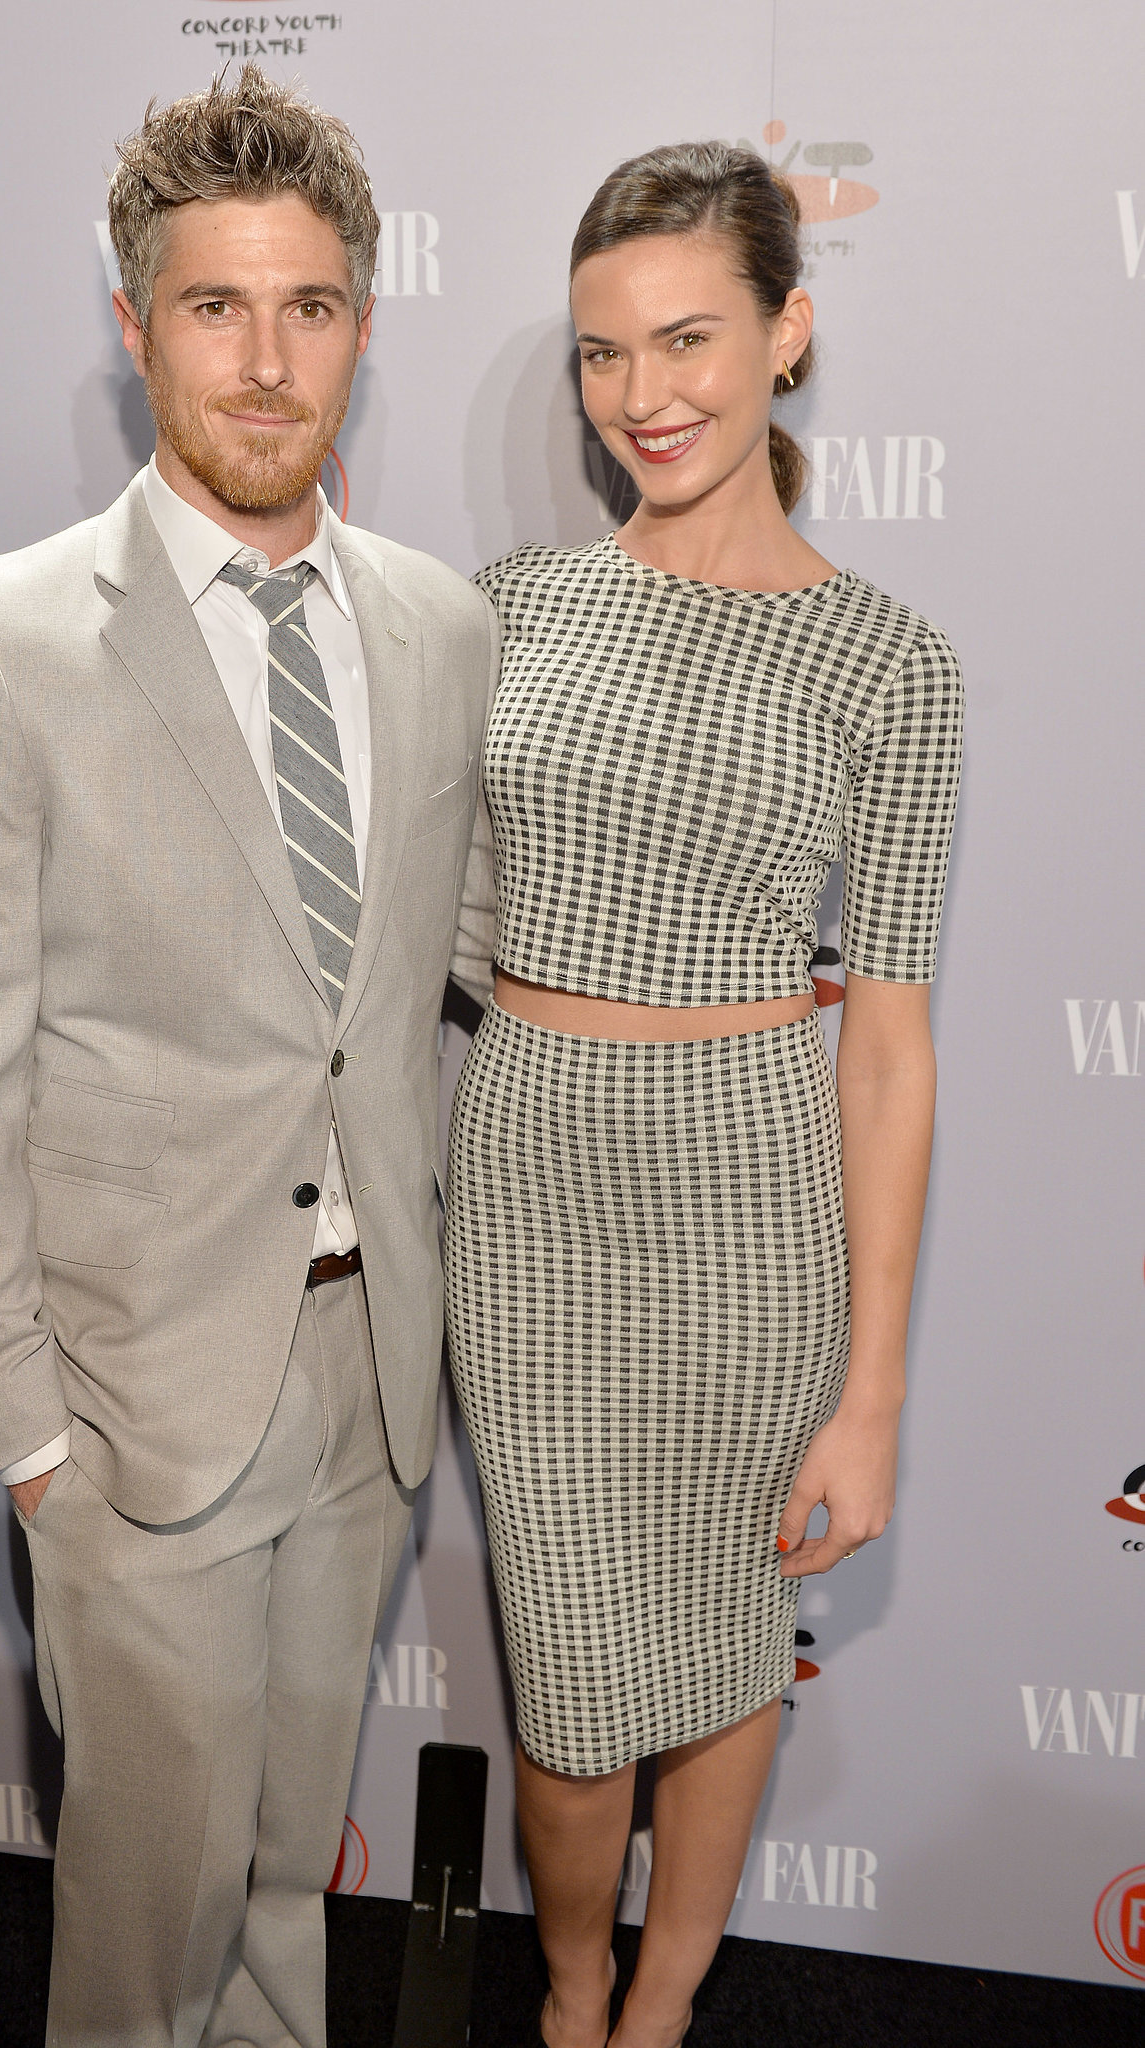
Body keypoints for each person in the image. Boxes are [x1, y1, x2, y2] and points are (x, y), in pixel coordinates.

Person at [0, 67, 496, 2048]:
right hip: (134, 1395)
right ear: (137, 327)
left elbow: (433, 980)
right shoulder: (1, 638)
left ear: (364, 329)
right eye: (215, 305)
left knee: (290, 1859)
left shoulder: (439, 624)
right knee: (145, 1925)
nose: (265, 355)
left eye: (309, 304)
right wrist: (26, 1432)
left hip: (367, 1365)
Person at [445, 142, 963, 2048]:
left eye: (686, 342)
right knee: (578, 1688)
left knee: (736, 1646)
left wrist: (875, 1393)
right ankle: (571, 1986)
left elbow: (888, 1038)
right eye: (602, 355)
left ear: (786, 335)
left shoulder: (893, 667)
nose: (644, 397)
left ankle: (659, 2011)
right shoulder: (507, 605)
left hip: (754, 1209)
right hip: (527, 1190)